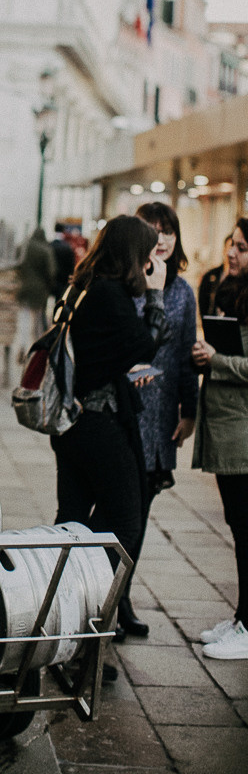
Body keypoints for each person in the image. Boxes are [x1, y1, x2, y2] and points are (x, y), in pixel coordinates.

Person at [51, 215, 167, 669]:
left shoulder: (82, 287)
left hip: (73, 425)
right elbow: (146, 344)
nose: (149, 263)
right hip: (98, 425)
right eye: (147, 254)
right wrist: (156, 297)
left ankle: (57, 628)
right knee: (124, 523)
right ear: (132, 255)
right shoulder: (108, 295)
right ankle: (86, 632)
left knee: (74, 521)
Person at [117, 203, 197, 638]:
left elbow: (184, 353)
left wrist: (190, 412)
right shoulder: (126, 285)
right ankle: (104, 596)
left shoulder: (183, 290)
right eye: (154, 230)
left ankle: (122, 596)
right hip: (126, 409)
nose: (162, 239)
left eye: (169, 231)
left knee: (142, 509)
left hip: (162, 412)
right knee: (120, 509)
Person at [191, 218, 248, 661]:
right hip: (228, 426)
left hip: (243, 431)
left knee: (246, 530)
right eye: (232, 244)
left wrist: (219, 360)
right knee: (238, 526)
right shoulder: (227, 291)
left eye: (243, 248)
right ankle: (241, 617)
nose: (232, 253)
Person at [15, 227, 56, 359]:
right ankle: (37, 351)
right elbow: (51, 271)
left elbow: (17, 264)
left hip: (24, 287)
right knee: (37, 320)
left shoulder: (23, 247)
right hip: (39, 289)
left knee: (24, 319)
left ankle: (22, 345)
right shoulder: (45, 250)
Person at [198, 235, 232, 320]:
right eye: (230, 247)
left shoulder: (242, 279)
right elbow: (203, 304)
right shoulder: (210, 276)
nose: (232, 253)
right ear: (224, 250)